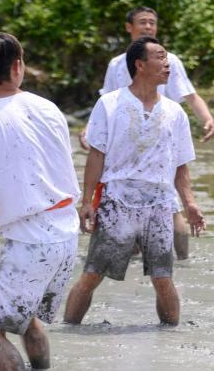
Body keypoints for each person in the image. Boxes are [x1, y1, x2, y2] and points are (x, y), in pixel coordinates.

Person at [0, 32, 80, 371]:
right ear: (17, 67)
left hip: (30, 240)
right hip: (65, 232)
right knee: (28, 320)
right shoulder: (48, 109)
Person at [63, 37, 206, 326]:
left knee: (163, 278)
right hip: (117, 201)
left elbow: (181, 166)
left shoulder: (175, 112)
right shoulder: (110, 103)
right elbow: (96, 155)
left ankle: (171, 339)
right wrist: (87, 202)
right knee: (92, 275)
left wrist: (190, 204)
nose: (167, 63)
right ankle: (67, 331)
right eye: (160, 57)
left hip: (159, 204)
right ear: (140, 65)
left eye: (167, 57)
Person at [81, 6, 214, 260]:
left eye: (152, 22)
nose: (148, 27)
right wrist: (91, 129)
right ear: (129, 27)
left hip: (158, 143)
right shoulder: (116, 67)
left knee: (171, 237)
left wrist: (207, 118)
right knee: (118, 254)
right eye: (143, 22)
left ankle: (180, 265)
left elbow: (189, 94)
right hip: (123, 152)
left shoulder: (171, 69)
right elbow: (105, 107)